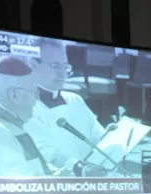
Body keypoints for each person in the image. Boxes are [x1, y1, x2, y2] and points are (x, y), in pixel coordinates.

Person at [26, 39, 111, 177]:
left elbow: (96, 136)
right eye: (55, 66)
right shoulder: (27, 107)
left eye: (65, 66)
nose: (62, 74)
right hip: (62, 186)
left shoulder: (75, 99)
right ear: (33, 65)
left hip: (94, 179)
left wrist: (110, 136)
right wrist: (82, 170)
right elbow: (49, 155)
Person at [0, 56, 51, 177]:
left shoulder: (4, 123)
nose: (37, 99)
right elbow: (21, 189)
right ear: (15, 96)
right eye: (35, 93)